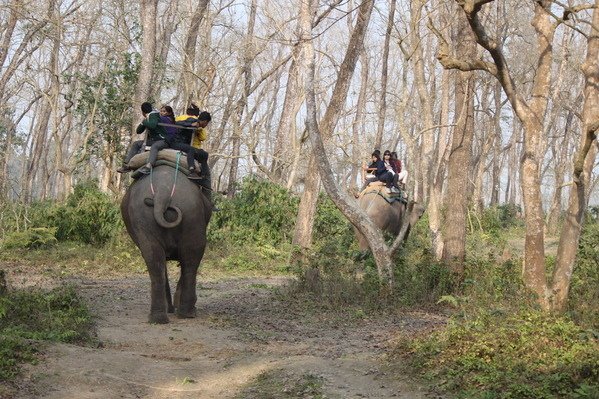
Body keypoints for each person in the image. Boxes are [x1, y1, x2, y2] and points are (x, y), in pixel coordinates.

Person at [117, 102, 166, 174]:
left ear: (143, 111)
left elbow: (152, 125)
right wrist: (143, 122)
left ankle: (130, 165)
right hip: (154, 140)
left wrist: (144, 122)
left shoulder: (153, 115)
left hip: (161, 140)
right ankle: (127, 164)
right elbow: (138, 131)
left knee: (139, 145)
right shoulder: (148, 117)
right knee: (136, 144)